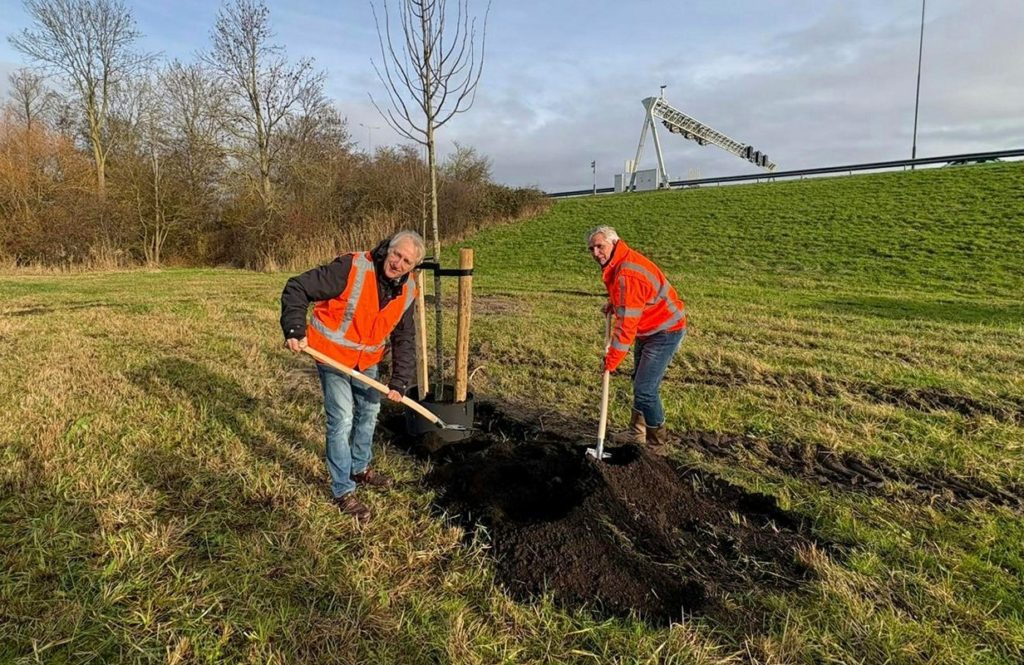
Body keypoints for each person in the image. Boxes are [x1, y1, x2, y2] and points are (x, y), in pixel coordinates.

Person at [280, 230, 424, 521]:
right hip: (330, 355)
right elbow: (297, 287)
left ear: (412, 267)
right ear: (388, 248)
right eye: (396, 254)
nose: (397, 263)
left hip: (366, 360)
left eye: (406, 261)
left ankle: (359, 469)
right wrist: (295, 328)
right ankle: (343, 490)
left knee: (369, 412)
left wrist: (399, 381)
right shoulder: (352, 267)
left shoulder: (408, 290)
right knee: (342, 417)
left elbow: (404, 338)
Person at [587, 225, 686, 452]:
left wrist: (612, 359)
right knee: (640, 381)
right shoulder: (619, 262)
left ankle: (656, 443)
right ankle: (636, 432)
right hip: (649, 326)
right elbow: (633, 298)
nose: (595, 252)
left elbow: (626, 327)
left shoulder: (627, 273)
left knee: (645, 389)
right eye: (591, 249)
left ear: (614, 242)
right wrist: (615, 302)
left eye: (600, 246)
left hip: (664, 331)